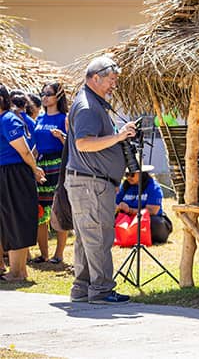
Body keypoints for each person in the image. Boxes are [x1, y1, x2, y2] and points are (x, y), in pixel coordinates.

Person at [66, 56, 136, 304]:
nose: (113, 85)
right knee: (98, 236)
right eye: (111, 80)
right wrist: (118, 138)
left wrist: (118, 134)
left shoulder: (92, 102)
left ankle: (83, 288)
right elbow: (83, 143)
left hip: (89, 182)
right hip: (90, 183)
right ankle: (102, 289)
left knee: (88, 237)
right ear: (96, 77)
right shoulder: (88, 106)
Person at [0, 84, 46, 281]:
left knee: (16, 219)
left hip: (14, 173)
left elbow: (25, 151)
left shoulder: (8, 119)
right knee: (7, 221)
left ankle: (18, 272)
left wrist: (34, 169)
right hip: (6, 172)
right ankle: (14, 270)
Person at [32, 82, 69, 263]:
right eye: (42, 93)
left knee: (58, 208)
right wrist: (31, 165)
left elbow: (71, 147)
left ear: (58, 96)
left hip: (58, 164)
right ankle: (44, 254)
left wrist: (61, 137)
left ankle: (59, 254)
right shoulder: (39, 119)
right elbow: (36, 147)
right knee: (40, 211)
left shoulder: (64, 118)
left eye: (48, 93)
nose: (44, 97)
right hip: (41, 165)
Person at [116, 167, 173, 244]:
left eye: (132, 174)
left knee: (156, 223)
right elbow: (115, 204)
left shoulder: (153, 186)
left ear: (141, 173)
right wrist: (118, 208)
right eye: (126, 174)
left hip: (147, 220)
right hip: (127, 220)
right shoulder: (124, 186)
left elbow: (152, 211)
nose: (128, 177)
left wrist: (130, 210)